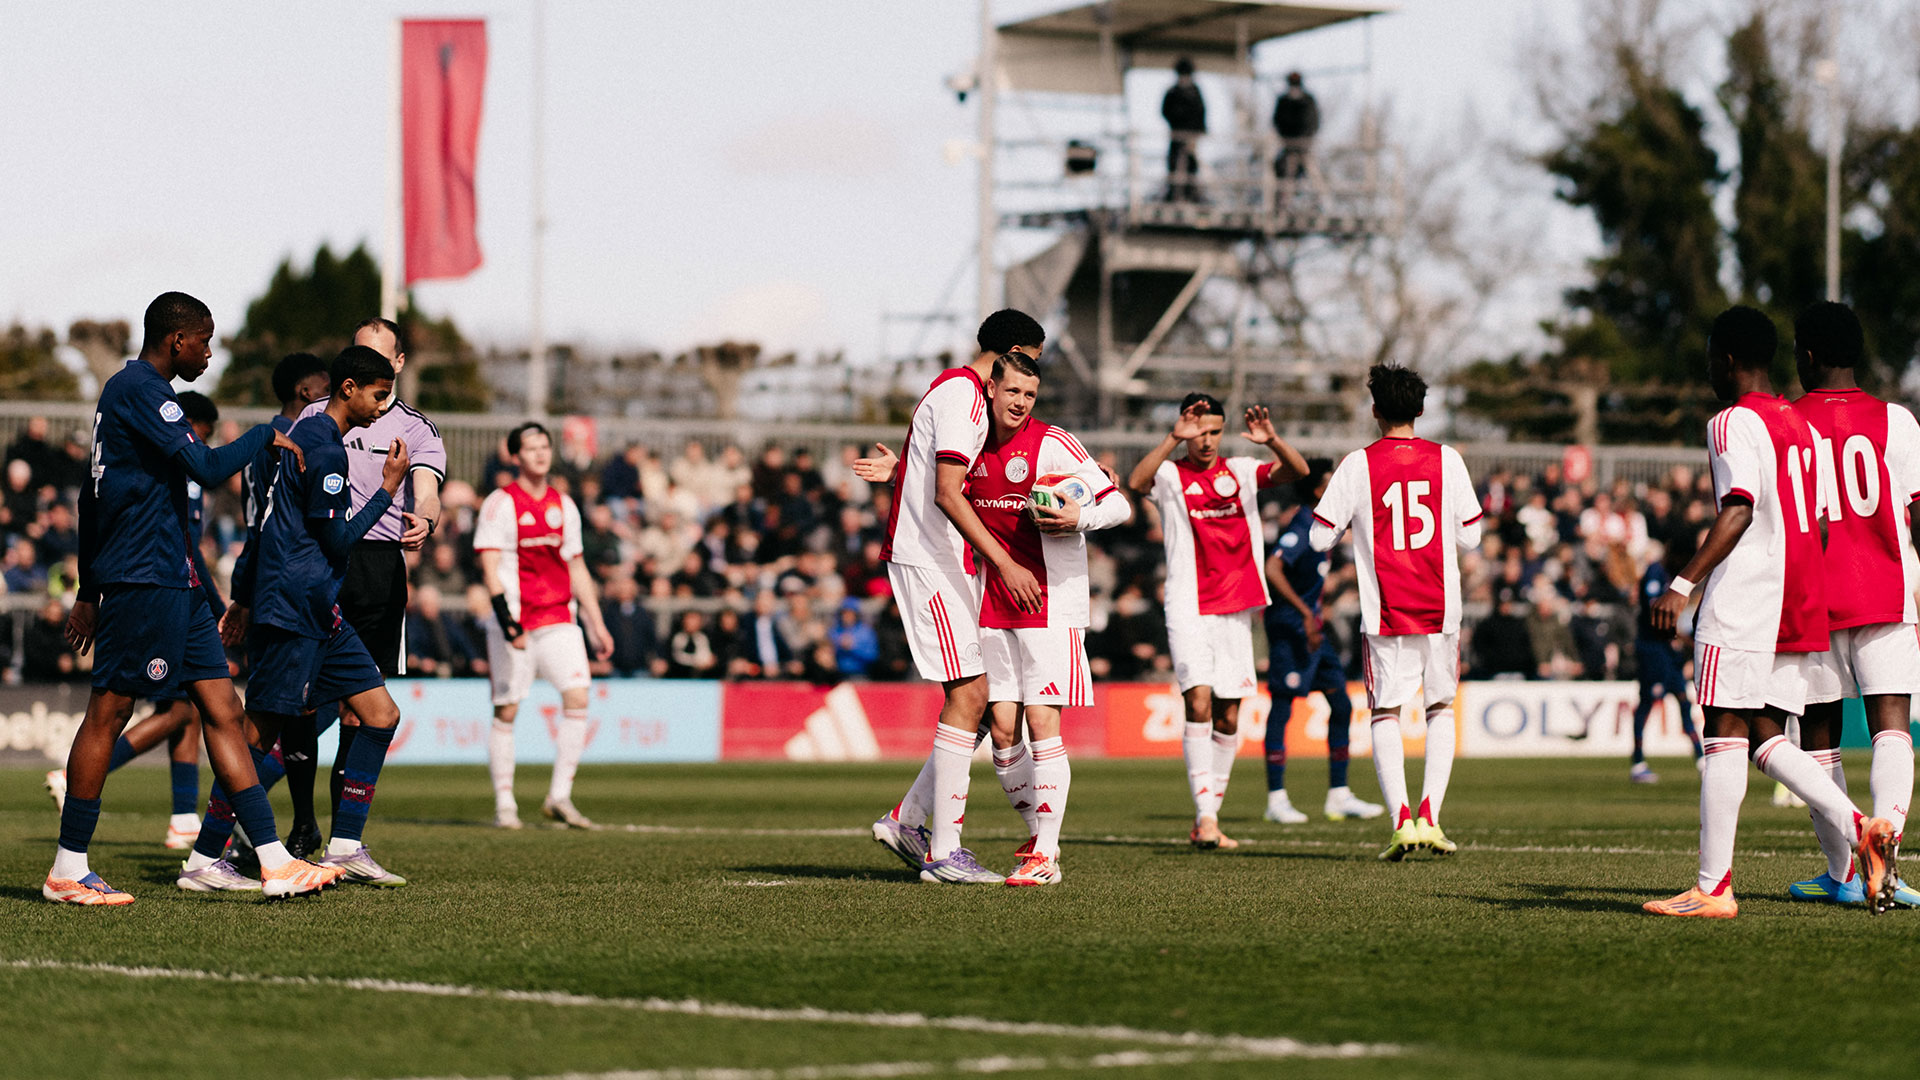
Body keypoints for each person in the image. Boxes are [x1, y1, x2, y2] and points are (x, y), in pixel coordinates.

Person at [48, 291, 330, 905]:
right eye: (204, 339)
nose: (208, 349)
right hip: (143, 577)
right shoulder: (142, 391)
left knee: (224, 711)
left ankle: (274, 860)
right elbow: (204, 466)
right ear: (177, 340)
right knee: (110, 710)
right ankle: (68, 867)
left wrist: (89, 589)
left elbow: (90, 501)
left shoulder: (137, 395)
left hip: (173, 580)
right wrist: (265, 435)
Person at [1643, 305, 1896, 918]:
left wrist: (1682, 584)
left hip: (1745, 597)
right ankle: (1860, 824)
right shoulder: (1798, 423)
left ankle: (1715, 887)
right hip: (1797, 597)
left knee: (1722, 731)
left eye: (1709, 357)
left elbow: (1739, 508)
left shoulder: (1731, 421)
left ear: (1726, 359)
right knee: (1759, 730)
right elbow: (1825, 522)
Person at [178, 346, 419, 892]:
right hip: (295, 606)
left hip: (316, 606)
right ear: (350, 388)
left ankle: (346, 845)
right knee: (259, 738)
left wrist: (243, 595)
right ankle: (203, 856)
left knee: (379, 714)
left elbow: (265, 523)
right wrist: (386, 488)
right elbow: (337, 539)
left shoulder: (306, 440)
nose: (384, 408)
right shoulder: (326, 451)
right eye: (380, 395)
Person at [852, 310, 1048, 885]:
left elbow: (938, 471)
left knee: (984, 702)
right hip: (933, 562)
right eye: (1032, 359)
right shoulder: (964, 395)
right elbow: (947, 491)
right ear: (1013, 352)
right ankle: (944, 852)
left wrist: (900, 474)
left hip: (948, 562)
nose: (1035, 375)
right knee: (972, 693)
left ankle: (909, 819)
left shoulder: (956, 389)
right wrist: (1005, 560)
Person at [967, 351, 1132, 886]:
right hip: (993, 598)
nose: (1020, 403)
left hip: (1050, 601)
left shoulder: (1053, 443)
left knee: (1043, 722)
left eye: (1030, 395)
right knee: (1000, 728)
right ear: (992, 389)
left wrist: (1077, 515)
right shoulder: (970, 442)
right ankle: (1038, 833)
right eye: (1012, 392)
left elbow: (1119, 504)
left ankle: (1047, 854)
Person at [1308, 364, 1482, 861]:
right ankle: (1431, 816)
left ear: (1374, 411)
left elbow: (1322, 536)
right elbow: (1471, 534)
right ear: (1422, 409)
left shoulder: (1358, 465)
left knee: (1385, 710)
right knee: (1440, 707)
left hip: (1385, 607)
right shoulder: (1447, 459)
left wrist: (1358, 523)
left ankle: (1402, 821)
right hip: (1440, 605)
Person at [1784, 301, 1920, 909]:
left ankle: (1843, 872)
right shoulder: (1898, 421)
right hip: (1886, 589)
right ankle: (1887, 837)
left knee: (1820, 738)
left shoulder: (1785, 421)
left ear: (1806, 355)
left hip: (1815, 600)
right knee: (1893, 725)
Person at [1128, 394, 1308, 850]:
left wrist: (1272, 441)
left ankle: (1210, 817)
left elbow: (1298, 472)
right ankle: (1206, 818)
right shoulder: (1170, 474)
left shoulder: (1242, 471)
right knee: (1200, 703)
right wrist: (1173, 438)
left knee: (1229, 715)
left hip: (1237, 606)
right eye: (1199, 431)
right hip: (1188, 604)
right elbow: (1136, 480)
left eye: (1214, 432)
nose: (1206, 441)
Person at [292, 319, 445, 836]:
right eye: (358, 354)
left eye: (378, 357)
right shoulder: (315, 420)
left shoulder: (416, 428)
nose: (366, 366)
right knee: (298, 701)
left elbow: (427, 489)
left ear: (398, 364)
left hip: (378, 568)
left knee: (362, 712)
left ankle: (344, 839)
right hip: (321, 563)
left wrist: (425, 515)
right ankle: (296, 823)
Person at [474, 421, 615, 829]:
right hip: (515, 620)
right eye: (531, 447)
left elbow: (576, 565)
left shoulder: (564, 505)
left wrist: (596, 622)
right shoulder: (500, 504)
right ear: (516, 456)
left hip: (558, 617)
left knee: (578, 697)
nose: (539, 454)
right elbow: (489, 566)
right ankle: (505, 804)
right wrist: (506, 620)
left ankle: (560, 796)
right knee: (508, 707)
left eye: (545, 447)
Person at [221, 351, 331, 856]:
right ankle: (230, 833)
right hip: (285, 588)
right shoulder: (287, 441)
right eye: (326, 385)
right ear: (306, 392)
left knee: (302, 710)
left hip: (278, 582)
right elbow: (264, 524)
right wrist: (245, 594)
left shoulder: (284, 437)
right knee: (273, 716)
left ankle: (302, 825)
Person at [1262, 458, 1381, 825]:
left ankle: (1339, 795)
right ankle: (1276, 799)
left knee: (1342, 705)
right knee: (1283, 707)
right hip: (1291, 628)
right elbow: (1273, 567)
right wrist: (1303, 612)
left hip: (1312, 629)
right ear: (1317, 490)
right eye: (1331, 483)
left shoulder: (1321, 524)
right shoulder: (1301, 522)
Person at [1629, 536, 1703, 783]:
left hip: (1667, 649)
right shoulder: (1655, 572)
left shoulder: (1671, 575)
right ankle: (1638, 761)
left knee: (1683, 700)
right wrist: (1679, 636)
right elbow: (1656, 611)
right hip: (1652, 649)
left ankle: (1701, 758)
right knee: (1649, 701)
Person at [1161, 57, 1206, 202]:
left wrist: (1197, 132)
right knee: (1173, 163)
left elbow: (1201, 113)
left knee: (1191, 164)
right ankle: (1173, 192)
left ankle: (1190, 192)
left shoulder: (1195, 92)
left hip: (1191, 135)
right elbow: (1166, 111)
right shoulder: (1173, 92)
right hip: (1177, 134)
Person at [1271, 71, 1320, 183]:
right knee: (1285, 173)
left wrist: (1306, 138)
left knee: (1308, 173)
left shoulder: (1307, 100)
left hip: (1303, 143)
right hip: (1288, 144)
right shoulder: (1283, 101)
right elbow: (1277, 121)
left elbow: (1313, 122)